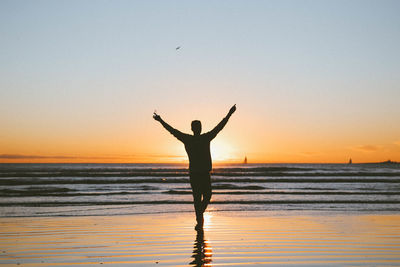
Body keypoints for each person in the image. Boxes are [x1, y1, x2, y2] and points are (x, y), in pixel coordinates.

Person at [153, 104, 236, 229]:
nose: (199, 128)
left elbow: (219, 127)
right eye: (197, 127)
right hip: (196, 174)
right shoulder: (189, 139)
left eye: (200, 126)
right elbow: (172, 130)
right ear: (193, 128)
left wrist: (229, 114)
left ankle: (199, 217)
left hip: (203, 174)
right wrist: (160, 121)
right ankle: (200, 223)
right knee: (198, 199)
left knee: (206, 196)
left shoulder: (205, 137)